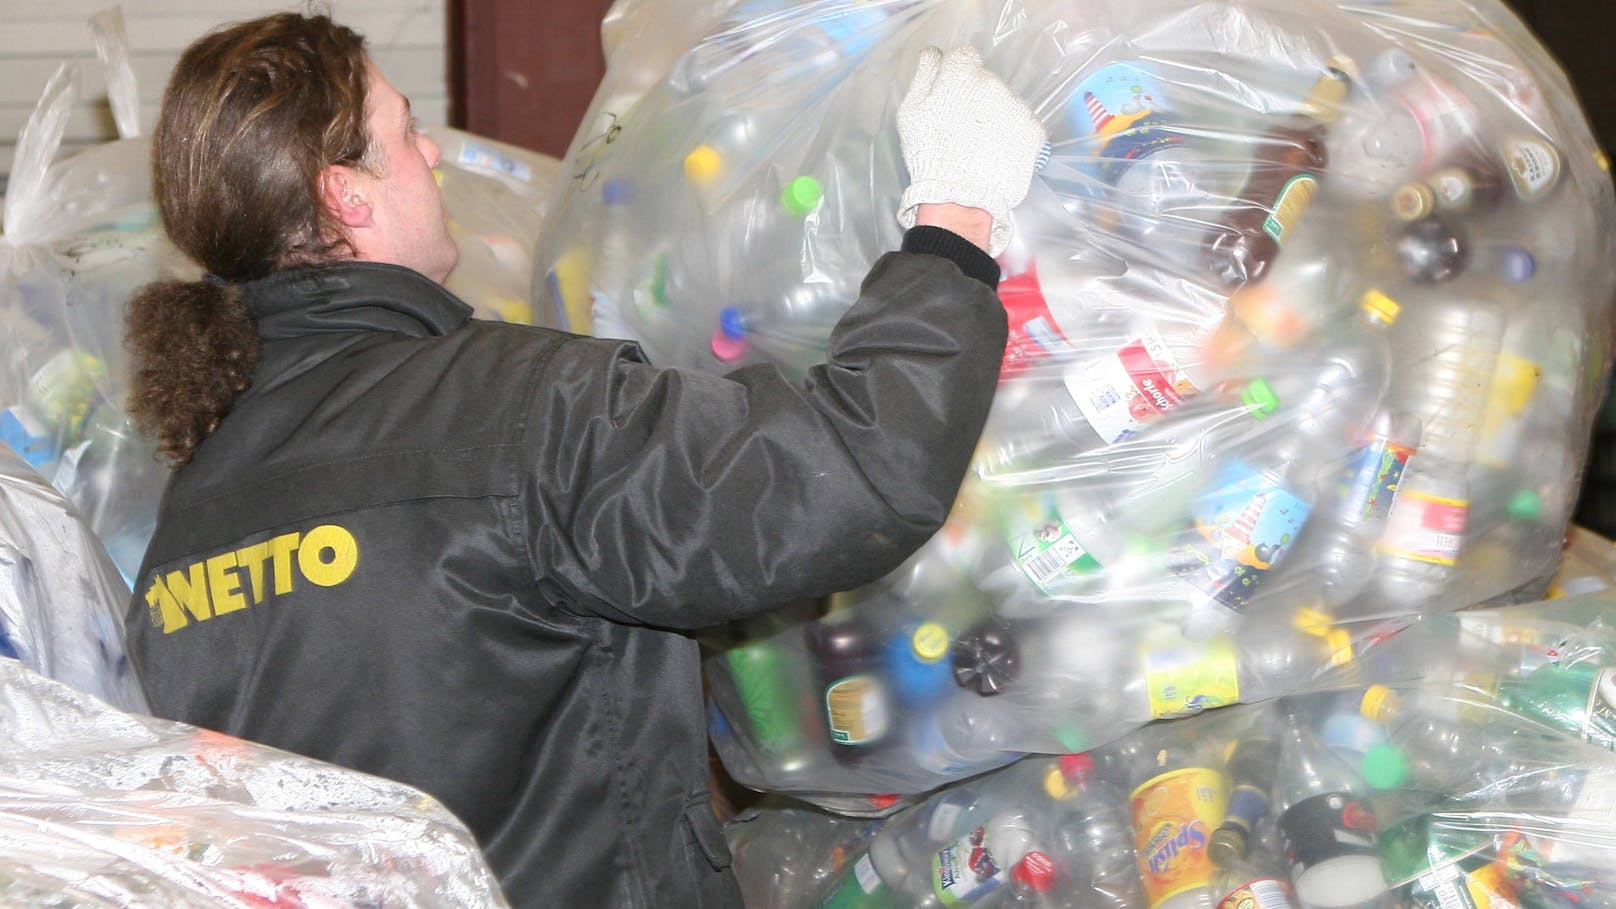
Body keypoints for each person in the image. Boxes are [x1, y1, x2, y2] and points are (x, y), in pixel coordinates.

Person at [122, 12, 1048, 908]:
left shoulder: (186, 526)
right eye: (406, 133)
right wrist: (954, 221)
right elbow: (849, 471)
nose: (434, 153)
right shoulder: (512, 412)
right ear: (344, 194)